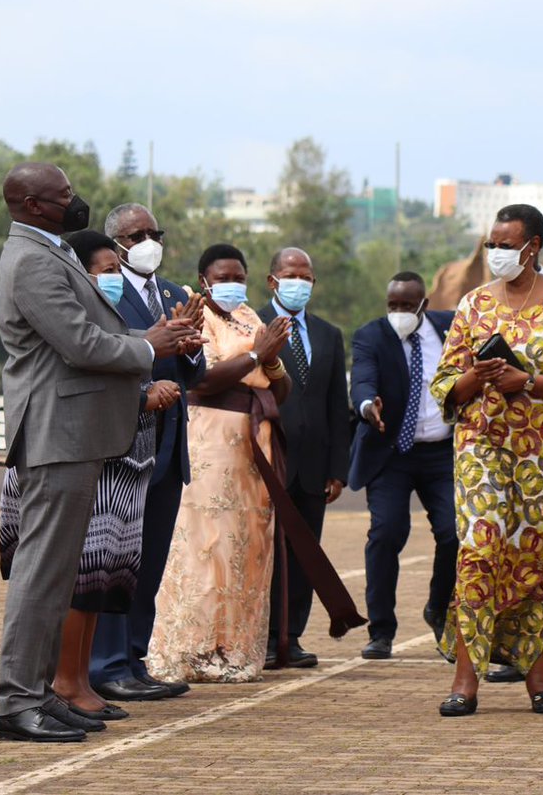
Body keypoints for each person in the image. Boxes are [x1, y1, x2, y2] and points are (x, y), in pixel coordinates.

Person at [0, 162, 198, 742]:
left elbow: (87, 331)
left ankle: (40, 692)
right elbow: (79, 342)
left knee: (58, 574)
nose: (73, 201)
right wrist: (148, 343)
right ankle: (16, 703)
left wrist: (152, 339)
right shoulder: (31, 260)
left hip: (77, 431)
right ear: (33, 204)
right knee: (40, 572)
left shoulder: (49, 250)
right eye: (62, 195)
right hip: (59, 433)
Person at [430, 203, 543, 716]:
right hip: (483, 447)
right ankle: (467, 678)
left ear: (533, 248)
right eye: (492, 244)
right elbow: (444, 383)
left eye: (505, 245)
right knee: (480, 550)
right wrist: (476, 378)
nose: (496, 253)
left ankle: (540, 676)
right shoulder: (473, 304)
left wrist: (527, 381)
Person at [147, 243, 294, 682]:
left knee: (244, 546)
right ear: (204, 279)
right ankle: (190, 648)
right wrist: (255, 356)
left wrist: (269, 360)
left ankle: (232, 647)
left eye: (238, 276)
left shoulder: (251, 317)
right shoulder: (197, 317)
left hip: (253, 445)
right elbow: (204, 379)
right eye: (223, 277)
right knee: (205, 544)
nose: (232, 284)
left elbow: (276, 388)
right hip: (210, 437)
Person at [90, 203, 207, 703]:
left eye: (153, 232)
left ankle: (135, 659)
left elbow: (195, 375)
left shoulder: (175, 293)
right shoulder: (103, 292)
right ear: (117, 244)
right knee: (115, 558)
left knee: (150, 561)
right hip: (123, 443)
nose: (148, 242)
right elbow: (104, 355)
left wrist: (189, 346)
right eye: (136, 235)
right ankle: (105, 663)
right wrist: (156, 349)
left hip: (167, 447)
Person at [349, 271, 459, 660]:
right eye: (392, 305)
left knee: (454, 532)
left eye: (407, 306)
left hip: (441, 454)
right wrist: (367, 406)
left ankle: (439, 609)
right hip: (390, 452)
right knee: (387, 533)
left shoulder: (451, 328)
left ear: (424, 305)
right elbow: (361, 380)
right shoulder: (370, 335)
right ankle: (381, 630)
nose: (398, 313)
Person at [258, 247, 351, 669]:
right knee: (263, 553)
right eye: (291, 274)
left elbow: (337, 405)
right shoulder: (251, 323)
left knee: (304, 554)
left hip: (313, 468)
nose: (300, 283)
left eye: (307, 277)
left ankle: (289, 638)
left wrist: (337, 469)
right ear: (272, 280)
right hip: (267, 461)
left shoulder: (329, 334)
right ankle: (259, 636)